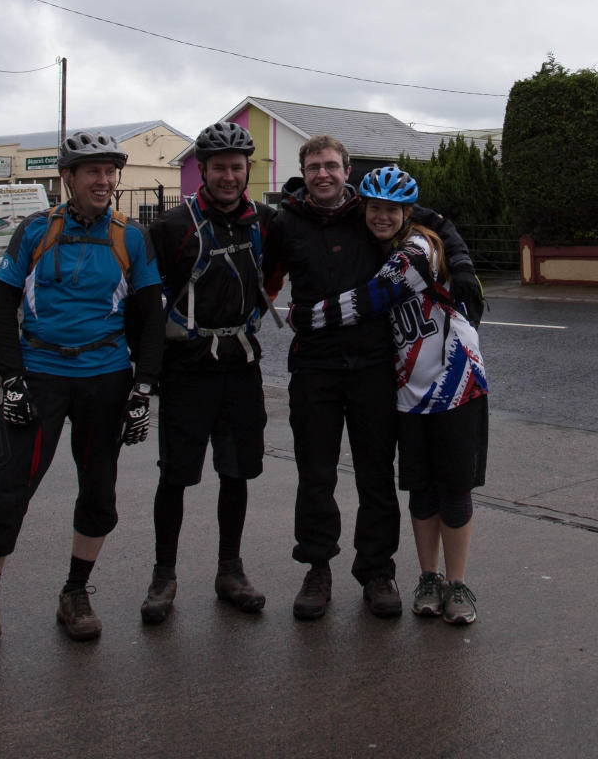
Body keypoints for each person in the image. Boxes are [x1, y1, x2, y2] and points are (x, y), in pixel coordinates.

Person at [0, 130, 164, 665]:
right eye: (94, 171)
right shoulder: (36, 230)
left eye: (111, 172)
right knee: (3, 489)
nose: (105, 181)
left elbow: (152, 316)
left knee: (98, 492)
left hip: (105, 376)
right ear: (68, 176)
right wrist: (11, 379)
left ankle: (75, 592)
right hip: (40, 373)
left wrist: (143, 388)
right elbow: (3, 307)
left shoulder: (130, 236)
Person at [263, 135, 482, 621]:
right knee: (315, 473)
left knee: (376, 474)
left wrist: (463, 265)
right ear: (303, 170)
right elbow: (258, 269)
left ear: (346, 172)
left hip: (372, 365)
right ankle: (317, 568)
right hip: (314, 367)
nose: (324, 173)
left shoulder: (375, 208)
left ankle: (378, 570)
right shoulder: (284, 221)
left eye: (333, 166)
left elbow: (439, 224)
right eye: (315, 166)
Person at [139, 121, 274, 623]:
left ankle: (230, 570)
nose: (229, 176)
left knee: (236, 471)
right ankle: (163, 574)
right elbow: (147, 306)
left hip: (241, 367)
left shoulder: (265, 221)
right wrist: (145, 375)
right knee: (175, 475)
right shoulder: (171, 227)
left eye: (237, 168)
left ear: (247, 170)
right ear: (203, 169)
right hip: (187, 369)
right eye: (219, 167)